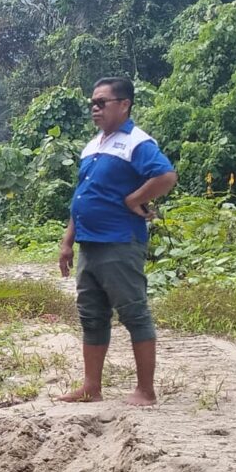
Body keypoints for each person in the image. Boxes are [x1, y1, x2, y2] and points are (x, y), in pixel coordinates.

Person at [58, 77, 177, 406]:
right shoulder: (93, 145)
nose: (95, 108)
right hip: (89, 246)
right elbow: (82, 196)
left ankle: (146, 391)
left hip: (120, 242)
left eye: (102, 103)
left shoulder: (137, 143)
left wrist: (133, 199)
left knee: (134, 313)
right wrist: (68, 241)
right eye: (92, 103)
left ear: (124, 105)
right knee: (91, 316)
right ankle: (91, 387)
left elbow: (166, 176)